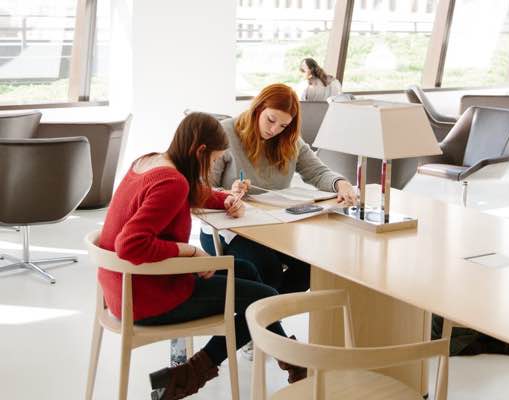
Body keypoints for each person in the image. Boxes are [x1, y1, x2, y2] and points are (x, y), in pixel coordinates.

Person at [98, 113, 305, 400]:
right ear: (200, 152)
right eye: (213, 160)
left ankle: (293, 364)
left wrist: (225, 199)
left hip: (123, 288)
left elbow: (187, 192)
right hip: (147, 298)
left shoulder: (150, 162)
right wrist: (191, 251)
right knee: (264, 299)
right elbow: (130, 245)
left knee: (245, 270)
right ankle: (193, 374)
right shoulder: (173, 182)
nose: (211, 167)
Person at [200, 83, 357, 296]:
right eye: (271, 120)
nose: (274, 130)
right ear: (258, 108)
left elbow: (318, 172)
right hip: (228, 230)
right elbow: (202, 189)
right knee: (268, 271)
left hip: (273, 226)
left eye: (283, 125)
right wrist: (228, 195)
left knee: (310, 267)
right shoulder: (224, 134)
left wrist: (341, 184)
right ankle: (262, 312)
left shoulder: (289, 140)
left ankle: (262, 311)